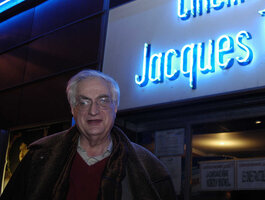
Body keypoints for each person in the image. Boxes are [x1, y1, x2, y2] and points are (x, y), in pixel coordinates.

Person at [0, 70, 177, 200]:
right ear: (73, 109)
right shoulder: (37, 158)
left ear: (115, 108)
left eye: (103, 101)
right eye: (84, 102)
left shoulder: (151, 169)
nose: (93, 111)